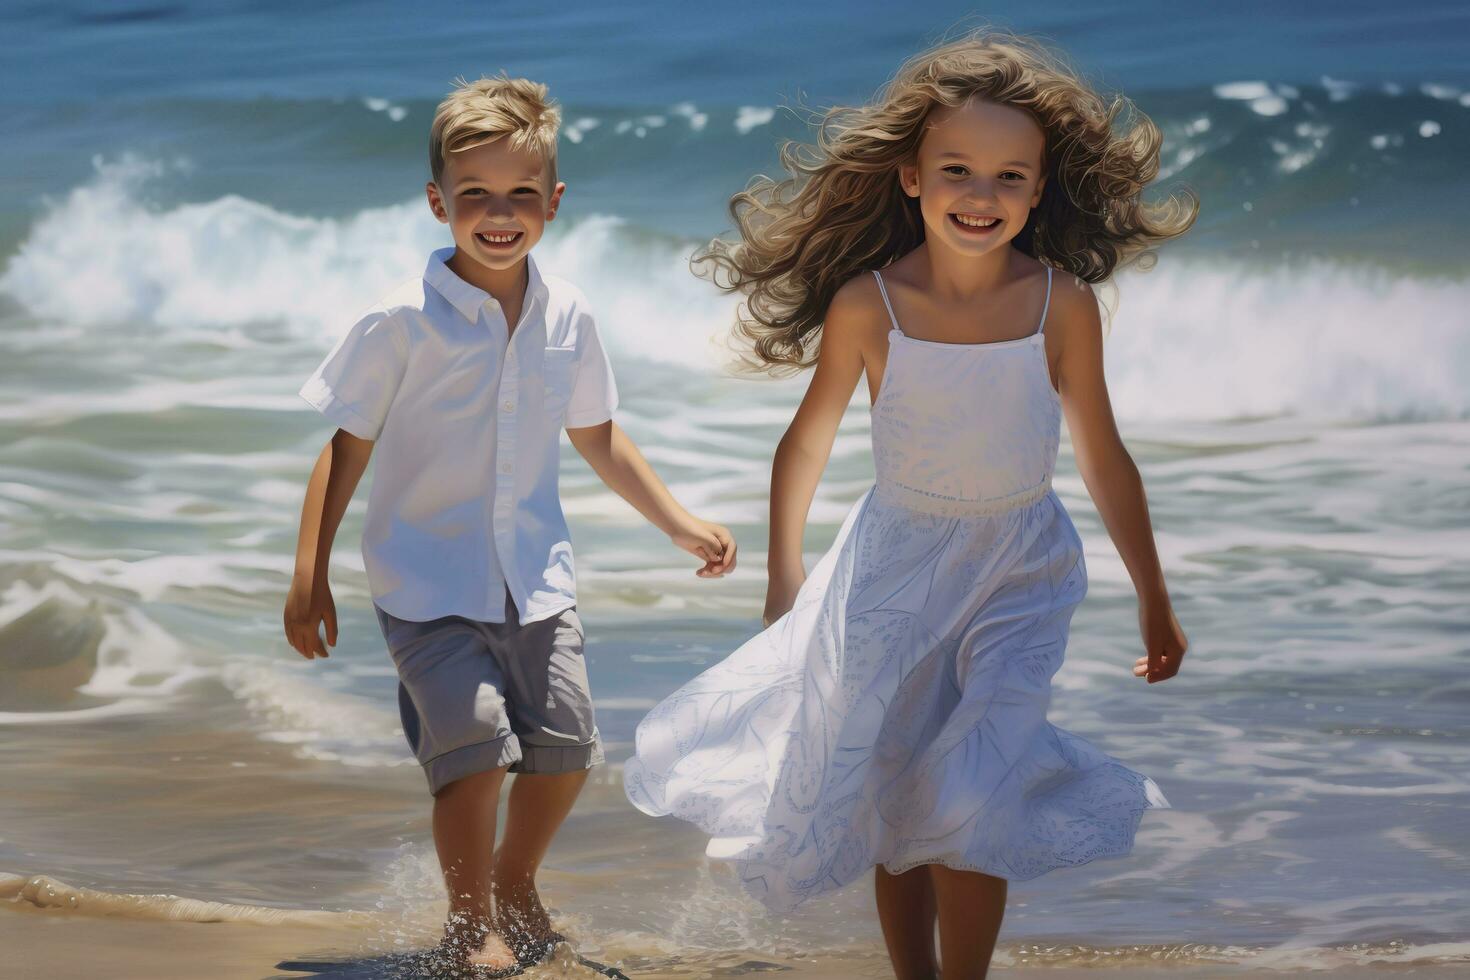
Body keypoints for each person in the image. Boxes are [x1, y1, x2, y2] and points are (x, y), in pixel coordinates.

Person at [625, 31, 1195, 980]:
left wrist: (1153, 594)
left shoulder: (1062, 304)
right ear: (911, 178)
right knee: (898, 791)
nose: (983, 196)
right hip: (892, 567)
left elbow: (1102, 455)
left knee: (974, 790)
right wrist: (784, 575)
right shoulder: (869, 303)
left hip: (1021, 566)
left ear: (1040, 187)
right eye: (958, 171)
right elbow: (803, 442)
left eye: (1010, 177)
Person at [283, 74, 736, 972]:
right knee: (475, 750)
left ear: (554, 203)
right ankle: (468, 919)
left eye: (521, 194)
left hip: (535, 578)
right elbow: (344, 449)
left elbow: (598, 435)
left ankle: (516, 878)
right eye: (475, 196)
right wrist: (310, 574)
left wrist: (677, 522)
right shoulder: (400, 322)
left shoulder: (569, 314)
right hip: (425, 580)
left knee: (565, 750)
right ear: (437, 202)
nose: (500, 213)